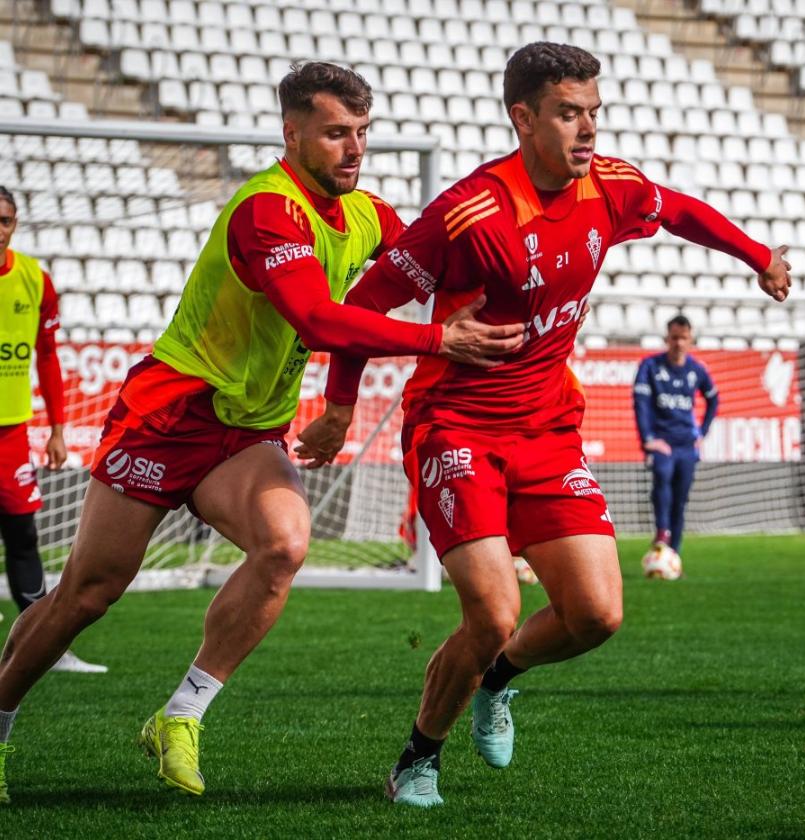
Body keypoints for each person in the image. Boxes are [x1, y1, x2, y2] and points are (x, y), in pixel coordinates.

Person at [0, 61, 524, 805]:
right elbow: (316, 317)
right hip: (169, 416)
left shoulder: (367, 214)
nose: (354, 148)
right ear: (293, 131)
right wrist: (441, 340)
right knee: (88, 594)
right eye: (336, 132)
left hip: (246, 430)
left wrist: (514, 253)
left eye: (362, 133)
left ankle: (179, 717)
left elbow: (435, 260)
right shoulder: (266, 210)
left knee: (283, 545)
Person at [309, 41, 791, 807]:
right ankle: (417, 759)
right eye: (570, 114)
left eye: (594, 113)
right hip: (457, 426)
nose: (588, 130)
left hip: (547, 431)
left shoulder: (609, 185)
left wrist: (757, 254)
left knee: (597, 614)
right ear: (524, 118)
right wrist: (339, 408)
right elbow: (359, 309)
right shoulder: (469, 211)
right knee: (495, 610)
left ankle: (498, 682)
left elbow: (681, 211)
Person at [0, 186, 106, 675]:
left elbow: (46, 357)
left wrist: (59, 430)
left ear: (15, 224)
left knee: (22, 532)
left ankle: (44, 645)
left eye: (5, 219)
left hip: (11, 432)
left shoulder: (34, 280)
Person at [633, 314, 718, 566]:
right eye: (674, 338)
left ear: (690, 340)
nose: (678, 343)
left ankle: (673, 555)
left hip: (686, 444)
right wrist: (648, 439)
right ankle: (662, 532)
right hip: (662, 441)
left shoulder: (697, 369)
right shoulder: (650, 367)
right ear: (666, 339)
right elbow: (641, 405)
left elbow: (713, 399)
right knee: (662, 477)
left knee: (680, 498)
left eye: (683, 338)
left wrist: (701, 433)